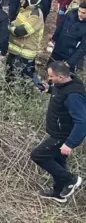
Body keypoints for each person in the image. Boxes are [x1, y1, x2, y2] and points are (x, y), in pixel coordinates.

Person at [31, 61, 85, 202]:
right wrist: (48, 88)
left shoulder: (73, 95)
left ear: (61, 77)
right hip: (58, 132)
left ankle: (71, 180)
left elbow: (82, 122)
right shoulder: (63, 84)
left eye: (51, 76)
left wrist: (70, 143)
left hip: (63, 136)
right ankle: (58, 192)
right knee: (58, 161)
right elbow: (57, 91)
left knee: (38, 155)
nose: (49, 78)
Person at [6, 0, 45, 88]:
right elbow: (17, 23)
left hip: (25, 52)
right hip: (15, 49)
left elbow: (21, 31)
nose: (21, 1)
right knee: (10, 73)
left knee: (26, 78)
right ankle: (8, 91)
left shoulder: (35, 15)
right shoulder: (25, 10)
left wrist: (8, 28)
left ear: (31, 1)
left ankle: (32, 93)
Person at [49, 2, 86, 74]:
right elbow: (61, 25)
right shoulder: (71, 13)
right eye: (79, 11)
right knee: (51, 68)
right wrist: (54, 38)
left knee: (65, 75)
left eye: (84, 13)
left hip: (71, 53)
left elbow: (83, 48)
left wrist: (70, 62)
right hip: (59, 47)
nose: (80, 14)